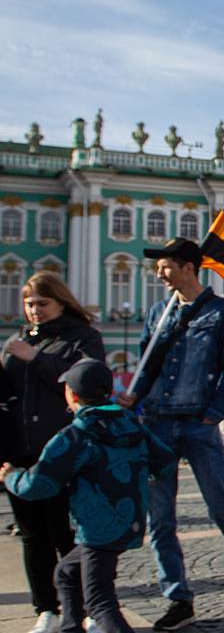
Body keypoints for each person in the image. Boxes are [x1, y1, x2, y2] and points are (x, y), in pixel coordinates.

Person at [124, 237, 224, 629]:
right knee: (161, 520)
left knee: (222, 509)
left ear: (188, 267)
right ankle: (178, 598)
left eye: (166, 265)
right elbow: (147, 365)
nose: (159, 273)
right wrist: (133, 397)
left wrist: (213, 413)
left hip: (197, 423)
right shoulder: (159, 313)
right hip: (157, 424)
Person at [2, 357, 174, 633]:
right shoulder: (131, 424)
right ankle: (71, 627)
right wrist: (141, 478)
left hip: (96, 529)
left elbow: (38, 486)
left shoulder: (76, 435)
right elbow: (165, 462)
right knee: (67, 574)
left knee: (99, 601)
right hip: (128, 521)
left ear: (72, 394)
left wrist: (11, 477)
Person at [1, 271, 104, 633]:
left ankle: (85, 607)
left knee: (68, 535)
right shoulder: (18, 341)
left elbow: (89, 379)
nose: (34, 311)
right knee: (33, 536)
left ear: (61, 301)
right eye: (29, 304)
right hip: (22, 451)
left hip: (65, 451)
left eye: (42, 303)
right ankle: (46, 608)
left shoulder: (83, 338)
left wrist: (35, 359)